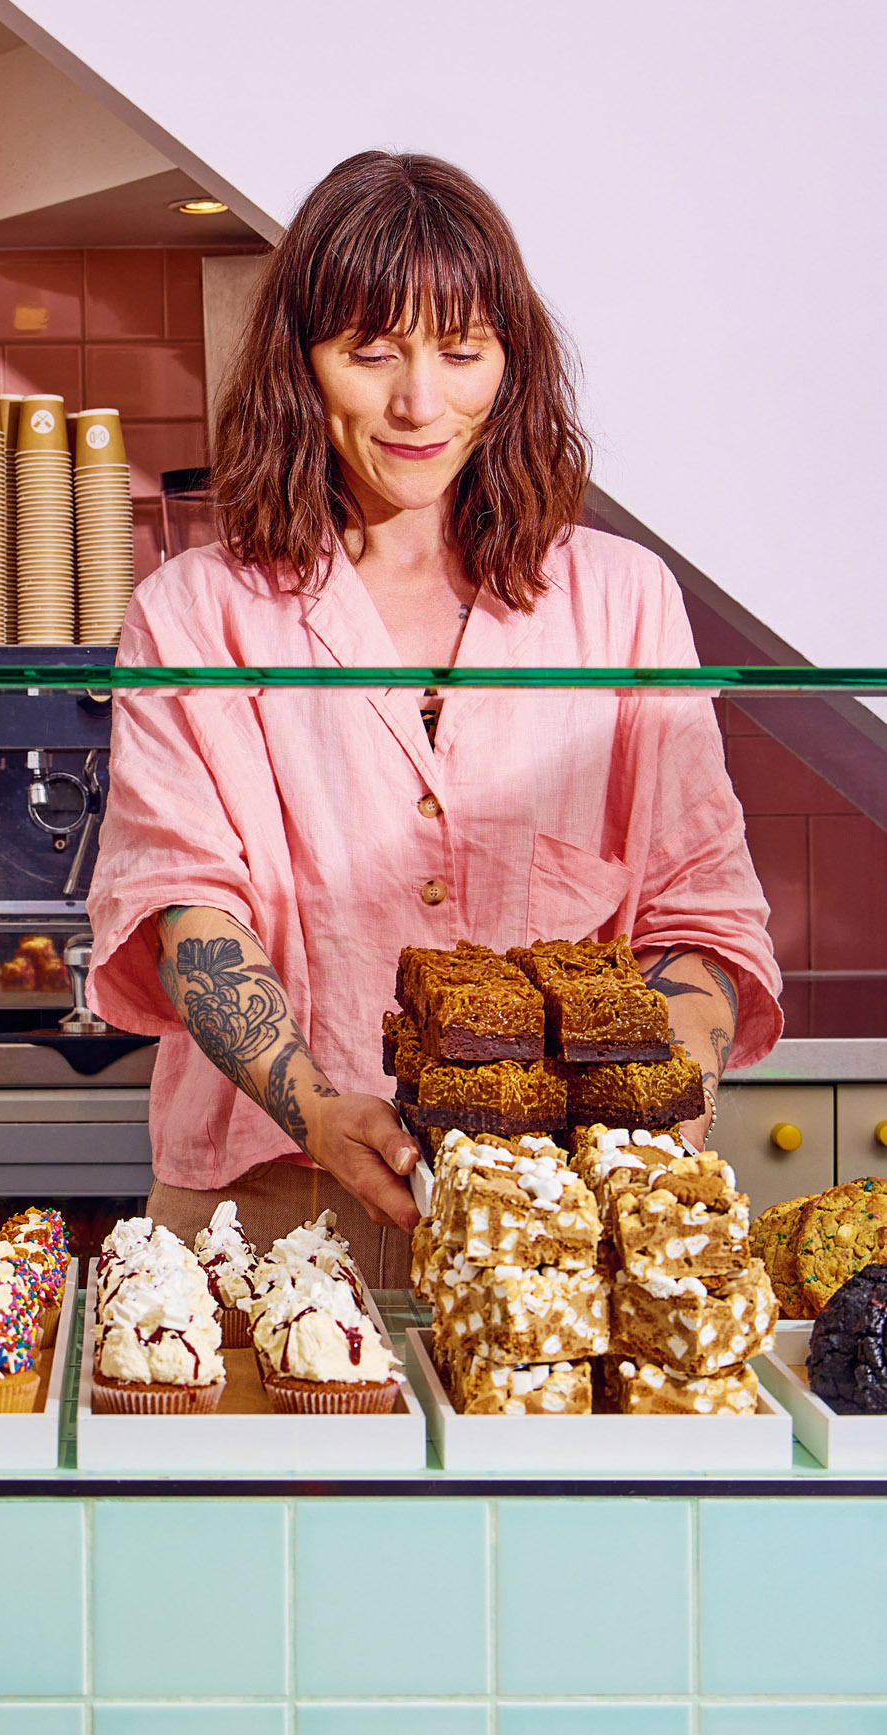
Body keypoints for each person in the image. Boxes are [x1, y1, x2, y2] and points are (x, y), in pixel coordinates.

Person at [85, 150, 781, 1280]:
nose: (420, 403)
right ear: (299, 366)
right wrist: (314, 1106)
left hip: (557, 1216)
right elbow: (184, 905)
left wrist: (657, 1102)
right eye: (370, 353)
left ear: (511, 363)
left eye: (462, 352)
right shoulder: (194, 613)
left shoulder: (621, 599)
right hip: (271, 1202)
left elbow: (697, 908)